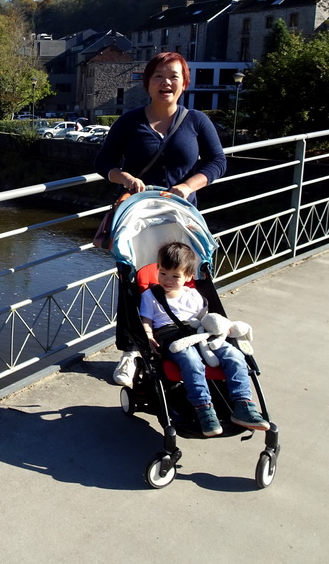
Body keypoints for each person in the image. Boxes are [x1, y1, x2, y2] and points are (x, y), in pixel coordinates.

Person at [94, 51, 227, 387]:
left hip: (181, 218)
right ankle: (131, 351)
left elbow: (216, 162)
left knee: (183, 280)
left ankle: (191, 338)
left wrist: (187, 186)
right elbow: (103, 161)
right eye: (158, 76)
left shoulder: (197, 120)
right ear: (147, 83)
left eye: (173, 77)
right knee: (133, 282)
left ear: (184, 84)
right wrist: (123, 178)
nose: (166, 82)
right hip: (138, 218)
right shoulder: (130, 121)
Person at [139, 242, 268, 436]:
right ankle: (204, 408)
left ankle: (243, 404)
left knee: (233, 354)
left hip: (199, 333)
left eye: (175, 276)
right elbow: (146, 320)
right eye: (163, 273)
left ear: (188, 277)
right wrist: (148, 336)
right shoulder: (151, 295)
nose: (167, 280)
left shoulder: (194, 295)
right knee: (191, 359)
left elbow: (205, 320)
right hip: (170, 336)